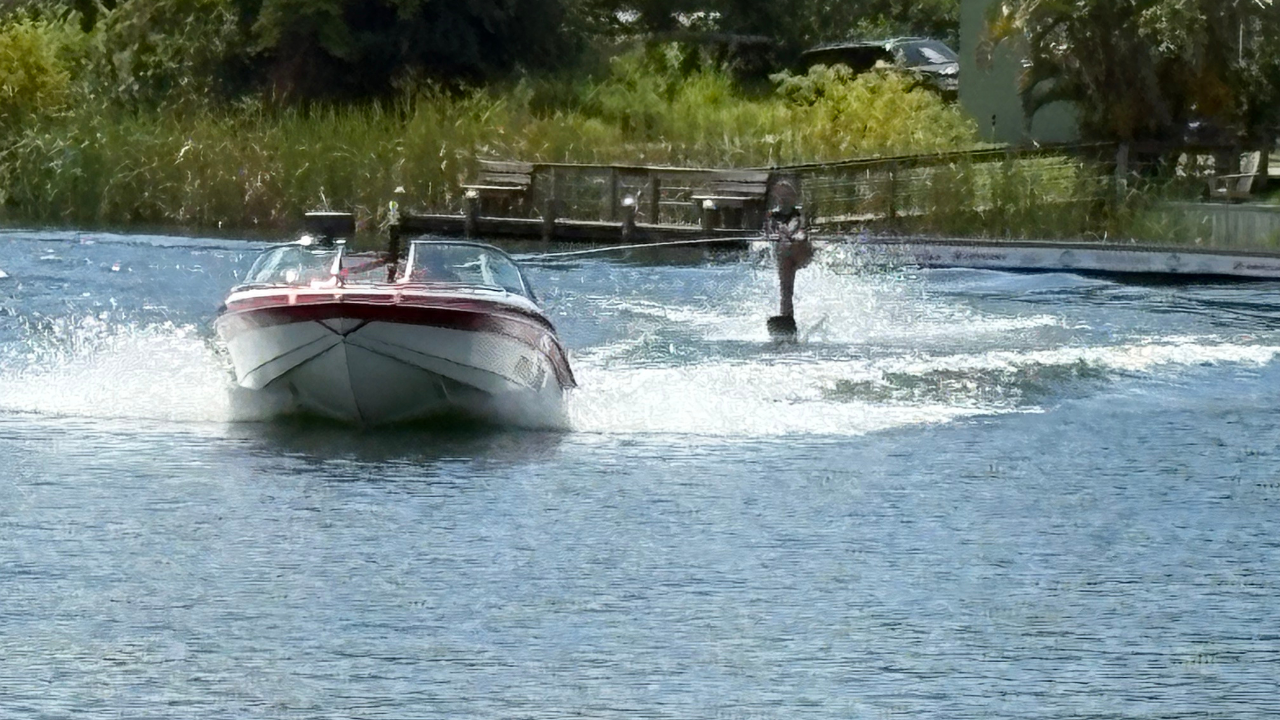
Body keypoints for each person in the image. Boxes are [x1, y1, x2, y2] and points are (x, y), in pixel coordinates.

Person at [768, 204, 813, 340]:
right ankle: (786, 319)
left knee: (786, 290)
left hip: (796, 254)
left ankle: (787, 321)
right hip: (786, 256)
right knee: (785, 291)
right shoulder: (776, 226)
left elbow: (801, 234)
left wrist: (797, 240)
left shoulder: (797, 224)